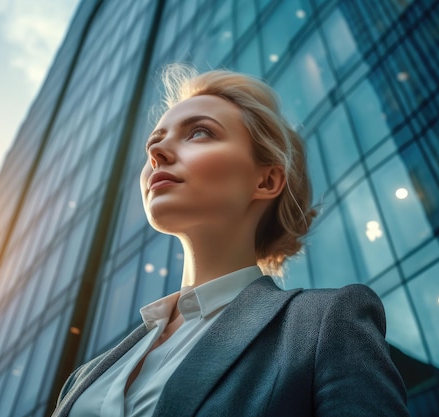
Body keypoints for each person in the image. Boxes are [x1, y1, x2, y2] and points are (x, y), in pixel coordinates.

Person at [52, 65, 409, 417]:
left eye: (199, 133)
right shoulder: (83, 379)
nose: (156, 154)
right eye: (155, 142)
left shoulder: (320, 324)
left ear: (266, 181)